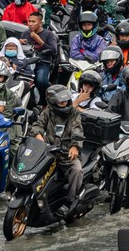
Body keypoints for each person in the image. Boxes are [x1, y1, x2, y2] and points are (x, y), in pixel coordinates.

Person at [30, 85, 85, 217]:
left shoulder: (74, 113)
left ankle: (69, 202)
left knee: (77, 170)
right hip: (47, 152)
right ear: (53, 102)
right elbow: (37, 126)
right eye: (61, 102)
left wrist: (75, 146)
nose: (64, 104)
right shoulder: (47, 112)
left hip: (66, 153)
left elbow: (77, 130)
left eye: (66, 101)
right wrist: (39, 138)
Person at [25, 10, 57, 97]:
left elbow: (54, 51)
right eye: (29, 21)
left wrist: (39, 40)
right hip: (27, 62)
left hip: (42, 62)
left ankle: (45, 101)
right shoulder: (25, 33)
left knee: (41, 81)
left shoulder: (49, 34)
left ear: (40, 23)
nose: (30, 24)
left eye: (33, 21)